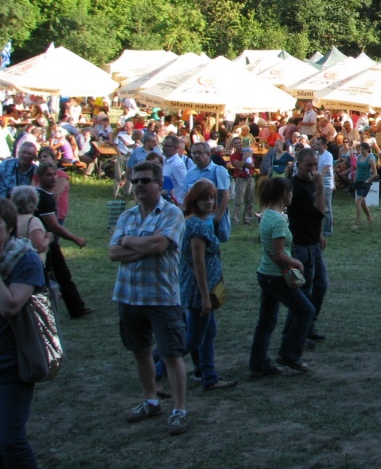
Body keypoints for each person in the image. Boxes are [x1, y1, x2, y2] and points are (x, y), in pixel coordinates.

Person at [108, 161, 189, 435]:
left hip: (161, 297)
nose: (139, 185)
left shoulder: (172, 214)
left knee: (171, 355)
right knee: (140, 353)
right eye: (136, 181)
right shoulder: (127, 216)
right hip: (129, 295)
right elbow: (113, 253)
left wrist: (129, 241)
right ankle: (151, 400)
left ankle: (179, 410)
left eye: (145, 180)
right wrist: (142, 246)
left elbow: (160, 244)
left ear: (159, 184)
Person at [0, 197, 47, 467]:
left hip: (13, 361)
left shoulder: (25, 258)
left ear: (9, 228)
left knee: (10, 440)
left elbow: (9, 306)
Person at [249, 177, 313, 376]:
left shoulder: (268, 214)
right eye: (290, 191)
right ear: (284, 194)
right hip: (277, 276)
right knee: (306, 311)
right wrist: (297, 263)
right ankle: (289, 353)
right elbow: (279, 255)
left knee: (266, 321)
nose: (292, 194)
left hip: (265, 273)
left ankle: (258, 362)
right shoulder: (277, 218)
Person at [178, 179, 236, 392]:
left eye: (212, 197)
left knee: (208, 333)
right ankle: (157, 366)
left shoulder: (200, 221)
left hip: (203, 288)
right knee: (193, 339)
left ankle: (209, 376)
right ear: (194, 200)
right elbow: (198, 261)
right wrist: (204, 295)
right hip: (198, 289)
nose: (210, 202)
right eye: (205, 198)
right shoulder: (196, 225)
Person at [35, 162, 93, 319]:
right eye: (48, 175)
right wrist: (76, 239)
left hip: (46, 241)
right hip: (44, 242)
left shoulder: (44, 195)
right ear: (39, 177)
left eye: (55, 174)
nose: (54, 178)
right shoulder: (43, 198)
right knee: (54, 276)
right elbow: (54, 226)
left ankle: (76, 308)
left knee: (61, 275)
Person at [286, 149, 329, 344]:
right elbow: (318, 212)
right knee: (304, 291)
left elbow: (314, 217)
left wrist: (318, 233)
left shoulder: (310, 184)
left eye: (315, 165)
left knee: (321, 285)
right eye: (308, 165)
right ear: (298, 164)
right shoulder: (296, 187)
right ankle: (294, 333)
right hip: (301, 246)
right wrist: (320, 187)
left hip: (313, 243)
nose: (313, 169)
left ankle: (308, 325)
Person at [184, 142, 230, 237]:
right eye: (194, 153)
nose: (196, 156)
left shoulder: (218, 170)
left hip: (210, 217)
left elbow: (225, 196)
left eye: (200, 153)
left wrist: (217, 218)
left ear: (208, 154)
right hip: (193, 218)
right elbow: (186, 194)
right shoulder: (190, 172)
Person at [11, 186, 51, 260]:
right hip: (31, 266)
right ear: (35, 201)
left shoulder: (9, 219)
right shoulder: (33, 222)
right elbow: (38, 248)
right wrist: (48, 238)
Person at [227, 140, 255, 225]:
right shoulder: (233, 156)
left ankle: (247, 219)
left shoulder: (248, 151)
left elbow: (251, 165)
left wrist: (242, 163)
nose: (238, 144)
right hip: (241, 178)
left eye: (239, 142)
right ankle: (235, 219)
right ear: (233, 145)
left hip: (250, 177)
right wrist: (244, 159)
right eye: (236, 143)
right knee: (239, 200)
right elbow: (237, 166)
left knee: (250, 199)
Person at [351, 142, 377, 230]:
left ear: (367, 150)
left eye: (362, 150)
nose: (360, 151)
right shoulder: (359, 157)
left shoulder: (370, 159)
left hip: (365, 183)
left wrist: (367, 180)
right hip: (358, 181)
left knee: (357, 201)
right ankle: (369, 217)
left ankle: (356, 222)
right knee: (362, 202)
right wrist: (355, 177)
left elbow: (374, 173)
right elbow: (357, 168)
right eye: (360, 150)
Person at [314, 138, 335, 237]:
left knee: (326, 208)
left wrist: (313, 175)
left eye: (318, 144)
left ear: (324, 145)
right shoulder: (315, 155)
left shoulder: (328, 156)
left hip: (326, 185)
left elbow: (323, 172)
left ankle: (327, 230)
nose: (316, 146)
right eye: (316, 144)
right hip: (316, 184)